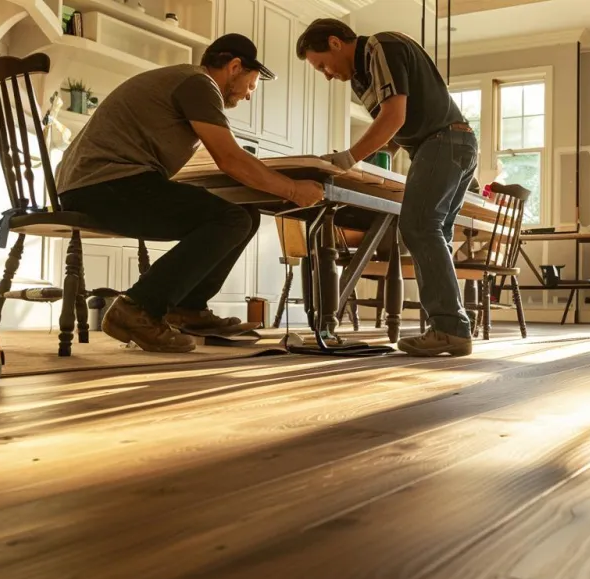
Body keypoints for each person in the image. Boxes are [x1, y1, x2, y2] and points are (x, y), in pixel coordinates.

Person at [55, 34, 322, 353]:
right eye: (251, 85)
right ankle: (136, 308)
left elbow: (223, 158)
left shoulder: (182, 82)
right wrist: (292, 188)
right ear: (235, 67)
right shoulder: (199, 84)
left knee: (244, 215)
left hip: (95, 183)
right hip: (103, 185)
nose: (249, 96)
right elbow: (230, 159)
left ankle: (189, 308)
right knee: (232, 219)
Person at [296, 19, 477, 358]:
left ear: (335, 43)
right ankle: (452, 328)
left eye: (322, 65)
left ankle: (449, 328)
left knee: (419, 227)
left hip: (442, 141)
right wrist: (373, 158)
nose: (326, 74)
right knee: (433, 232)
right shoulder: (362, 77)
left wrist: (349, 158)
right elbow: (395, 127)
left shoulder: (382, 46)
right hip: (453, 142)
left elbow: (394, 116)